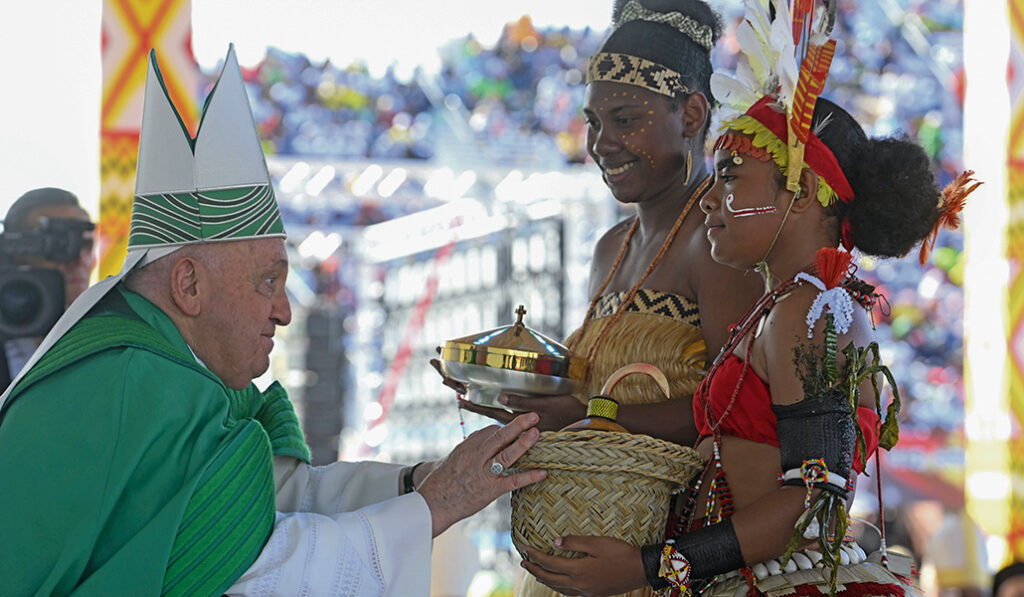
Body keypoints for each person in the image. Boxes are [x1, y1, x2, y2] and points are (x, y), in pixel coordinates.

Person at [0, 45, 544, 597]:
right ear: (189, 285)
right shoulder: (139, 385)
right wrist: (439, 503)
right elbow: (256, 569)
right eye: (267, 281)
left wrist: (413, 484)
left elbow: (269, 503)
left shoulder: (158, 374)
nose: (284, 310)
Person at [517, 1, 977, 595]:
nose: (710, 198)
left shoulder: (811, 312)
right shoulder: (787, 306)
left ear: (801, 192)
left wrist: (650, 566)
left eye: (730, 178)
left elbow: (814, 503)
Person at [452, 0, 761, 445]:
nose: (601, 144)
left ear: (691, 115)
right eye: (593, 123)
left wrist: (590, 415)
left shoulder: (720, 239)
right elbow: (590, 397)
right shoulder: (611, 247)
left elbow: (739, 406)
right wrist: (511, 395)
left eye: (625, 120)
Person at [0, 187, 95, 383]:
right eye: (61, 245)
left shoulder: (109, 339)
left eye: (86, 245)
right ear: (15, 253)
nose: (78, 260)